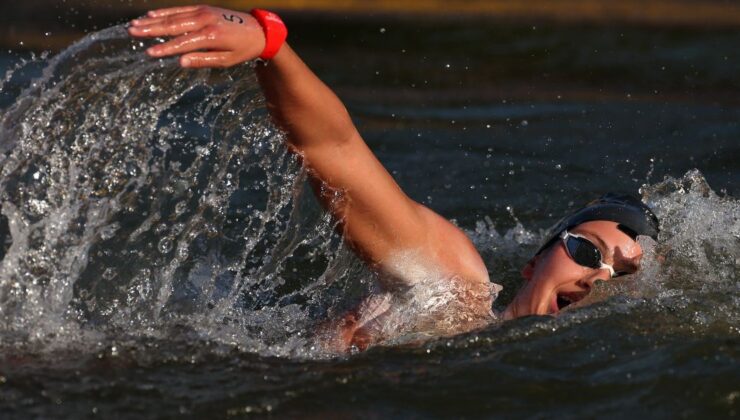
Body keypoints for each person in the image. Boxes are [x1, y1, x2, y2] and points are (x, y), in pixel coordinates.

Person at [127, 5, 659, 352]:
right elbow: (334, 149)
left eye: (625, 275)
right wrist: (273, 46)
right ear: (534, 260)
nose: (599, 277)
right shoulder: (452, 289)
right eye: (588, 252)